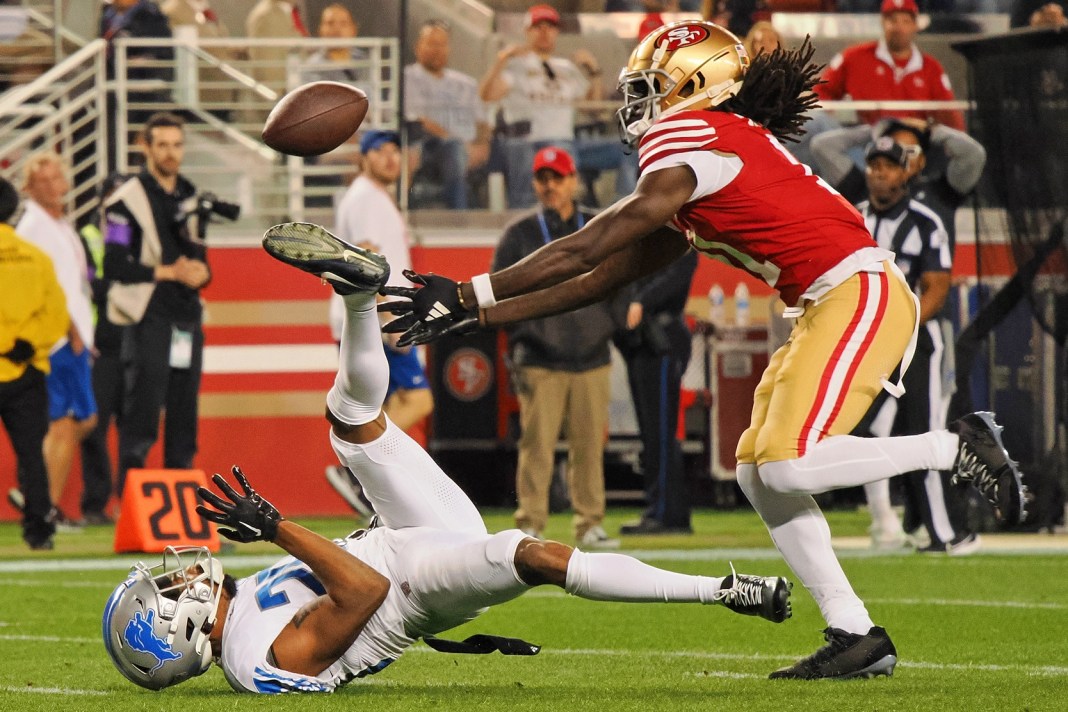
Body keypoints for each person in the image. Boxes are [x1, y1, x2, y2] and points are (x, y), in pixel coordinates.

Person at [378, 20, 1028, 680]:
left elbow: (588, 246)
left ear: (694, 86)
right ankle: (855, 631)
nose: (637, 102)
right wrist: (478, 316)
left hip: (857, 291)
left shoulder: (689, 135)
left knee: (788, 465)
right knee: (757, 473)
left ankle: (953, 446)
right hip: (826, 301)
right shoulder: (708, 159)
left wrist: (466, 292)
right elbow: (604, 276)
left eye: (651, 87)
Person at [102, 225, 793, 693]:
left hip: (398, 535)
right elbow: (367, 595)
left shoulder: (248, 604)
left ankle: (359, 298)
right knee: (532, 555)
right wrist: (279, 525)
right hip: (414, 588)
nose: (176, 577)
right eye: (164, 594)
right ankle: (725, 590)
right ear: (175, 631)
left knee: (350, 422)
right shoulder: (256, 662)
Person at [854, 137, 978, 555]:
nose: (879, 173)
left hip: (919, 344)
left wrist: (898, 328)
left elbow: (936, 289)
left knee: (922, 434)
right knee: (868, 432)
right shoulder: (853, 219)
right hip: (869, 345)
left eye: (888, 165)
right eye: (873, 165)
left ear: (905, 171)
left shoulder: (926, 221)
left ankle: (949, 533)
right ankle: (888, 523)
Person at [492, 146, 618, 547]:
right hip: (540, 358)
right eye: (543, 178)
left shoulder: (596, 226)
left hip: (592, 354)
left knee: (589, 448)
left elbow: (621, 278)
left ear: (573, 180)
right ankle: (530, 523)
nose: (550, 186)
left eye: (557, 178)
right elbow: (500, 291)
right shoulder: (519, 234)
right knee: (537, 447)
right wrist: (521, 340)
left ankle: (590, 523)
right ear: (534, 183)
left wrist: (609, 323)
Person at [104, 112, 211, 495]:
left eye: (177, 145)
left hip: (186, 316)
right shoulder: (124, 201)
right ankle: (130, 504)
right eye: (162, 144)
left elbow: (202, 261)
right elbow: (113, 263)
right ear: (145, 146)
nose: (171, 153)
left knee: (184, 415)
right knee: (142, 412)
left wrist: (200, 274)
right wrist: (169, 272)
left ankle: (183, 509)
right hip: (149, 315)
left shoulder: (191, 195)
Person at [327, 129, 433, 513]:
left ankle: (366, 476)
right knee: (419, 398)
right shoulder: (367, 199)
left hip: (370, 316)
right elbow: (367, 259)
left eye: (394, 151)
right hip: (376, 318)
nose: (390, 158)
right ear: (364, 158)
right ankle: (353, 466)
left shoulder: (370, 197)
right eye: (380, 152)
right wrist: (386, 312)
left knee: (378, 407)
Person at [479, 3, 636, 208]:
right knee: (554, 152)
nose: (545, 33)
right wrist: (501, 61)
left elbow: (592, 107)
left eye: (550, 27)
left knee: (627, 148)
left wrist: (594, 71)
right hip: (530, 141)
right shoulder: (516, 66)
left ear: (557, 32)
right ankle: (561, 205)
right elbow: (487, 95)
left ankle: (624, 207)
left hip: (569, 141)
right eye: (538, 27)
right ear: (527, 31)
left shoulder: (566, 68)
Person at [15, 152, 99, 530]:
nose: (53, 186)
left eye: (56, 178)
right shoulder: (32, 227)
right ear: (29, 188)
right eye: (43, 180)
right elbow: (40, 285)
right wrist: (68, 327)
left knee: (79, 421)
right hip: (60, 339)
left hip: (74, 335)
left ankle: (38, 495)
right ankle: (43, 506)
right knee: (66, 423)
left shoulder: (59, 223)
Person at [0, 176, 68, 550]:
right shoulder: (36, 257)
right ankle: (39, 530)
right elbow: (56, 313)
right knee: (31, 457)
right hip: (26, 369)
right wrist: (29, 344)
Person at [616, 249, 698, 536]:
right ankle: (667, 511)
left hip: (660, 340)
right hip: (644, 340)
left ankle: (664, 512)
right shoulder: (649, 240)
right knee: (654, 433)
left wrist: (640, 300)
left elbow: (676, 274)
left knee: (660, 433)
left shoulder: (680, 242)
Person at [810, 117, 987, 245]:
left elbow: (974, 155)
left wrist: (932, 131)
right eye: (894, 151)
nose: (901, 158)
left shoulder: (942, 191)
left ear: (922, 161)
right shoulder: (869, 184)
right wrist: (873, 131)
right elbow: (821, 146)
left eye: (909, 152)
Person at [815, 0, 965, 132]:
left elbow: (950, 116)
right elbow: (821, 92)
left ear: (915, 25)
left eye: (905, 21)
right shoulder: (854, 57)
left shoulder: (931, 68)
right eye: (892, 20)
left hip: (915, 142)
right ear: (882, 22)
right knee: (815, 122)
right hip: (866, 139)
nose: (898, 28)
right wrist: (833, 116)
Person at [78, 173, 130, 525]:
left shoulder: (134, 233)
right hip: (103, 343)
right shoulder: (87, 236)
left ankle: (129, 505)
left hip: (134, 338)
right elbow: (92, 284)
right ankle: (96, 504)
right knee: (96, 426)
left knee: (134, 429)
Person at [404, 19, 491, 210]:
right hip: (429, 147)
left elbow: (482, 123)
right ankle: (459, 215)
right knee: (453, 149)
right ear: (418, 47)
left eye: (442, 44)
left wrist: (481, 146)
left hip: (469, 150)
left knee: (509, 148)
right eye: (432, 43)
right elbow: (419, 120)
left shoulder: (466, 83)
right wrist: (460, 144)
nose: (437, 49)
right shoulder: (408, 77)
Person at [303, 3, 368, 86]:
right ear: (320, 30)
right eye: (330, 23)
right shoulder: (311, 68)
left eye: (343, 23)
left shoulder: (365, 61)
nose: (336, 29)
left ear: (353, 30)